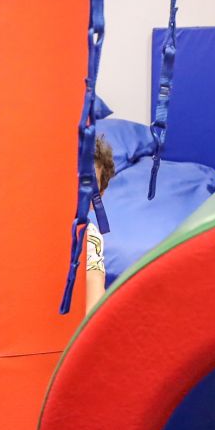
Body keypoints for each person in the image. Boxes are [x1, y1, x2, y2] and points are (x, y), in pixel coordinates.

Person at [85, 134, 115, 316]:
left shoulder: (90, 237)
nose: (78, 191)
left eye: (88, 184)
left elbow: (94, 284)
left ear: (98, 196)